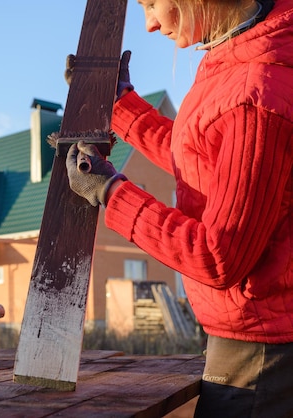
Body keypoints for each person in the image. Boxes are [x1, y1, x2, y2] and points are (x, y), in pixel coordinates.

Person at [65, 0, 293, 416]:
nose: (149, 25)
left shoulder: (255, 92)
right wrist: (120, 105)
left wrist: (112, 192)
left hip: (261, 358)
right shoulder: (237, 57)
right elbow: (196, 154)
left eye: (152, 3)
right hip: (254, 339)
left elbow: (219, 258)